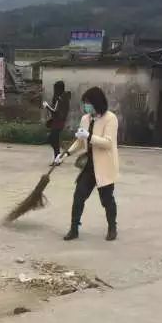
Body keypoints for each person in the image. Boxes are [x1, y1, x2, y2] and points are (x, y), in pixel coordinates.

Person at [55, 87, 119, 242]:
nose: (86, 106)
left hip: (104, 165)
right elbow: (79, 141)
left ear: (97, 103)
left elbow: (108, 143)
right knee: (79, 196)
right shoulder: (85, 119)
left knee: (107, 199)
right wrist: (66, 154)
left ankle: (112, 228)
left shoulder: (110, 118)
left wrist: (89, 136)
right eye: (85, 103)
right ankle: (74, 229)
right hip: (89, 165)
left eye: (88, 103)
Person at [43, 81, 71, 165]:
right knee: (54, 140)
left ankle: (58, 158)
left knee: (52, 139)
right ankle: (58, 157)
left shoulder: (60, 98)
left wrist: (47, 106)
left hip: (58, 122)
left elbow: (55, 111)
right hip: (59, 121)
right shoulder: (64, 97)